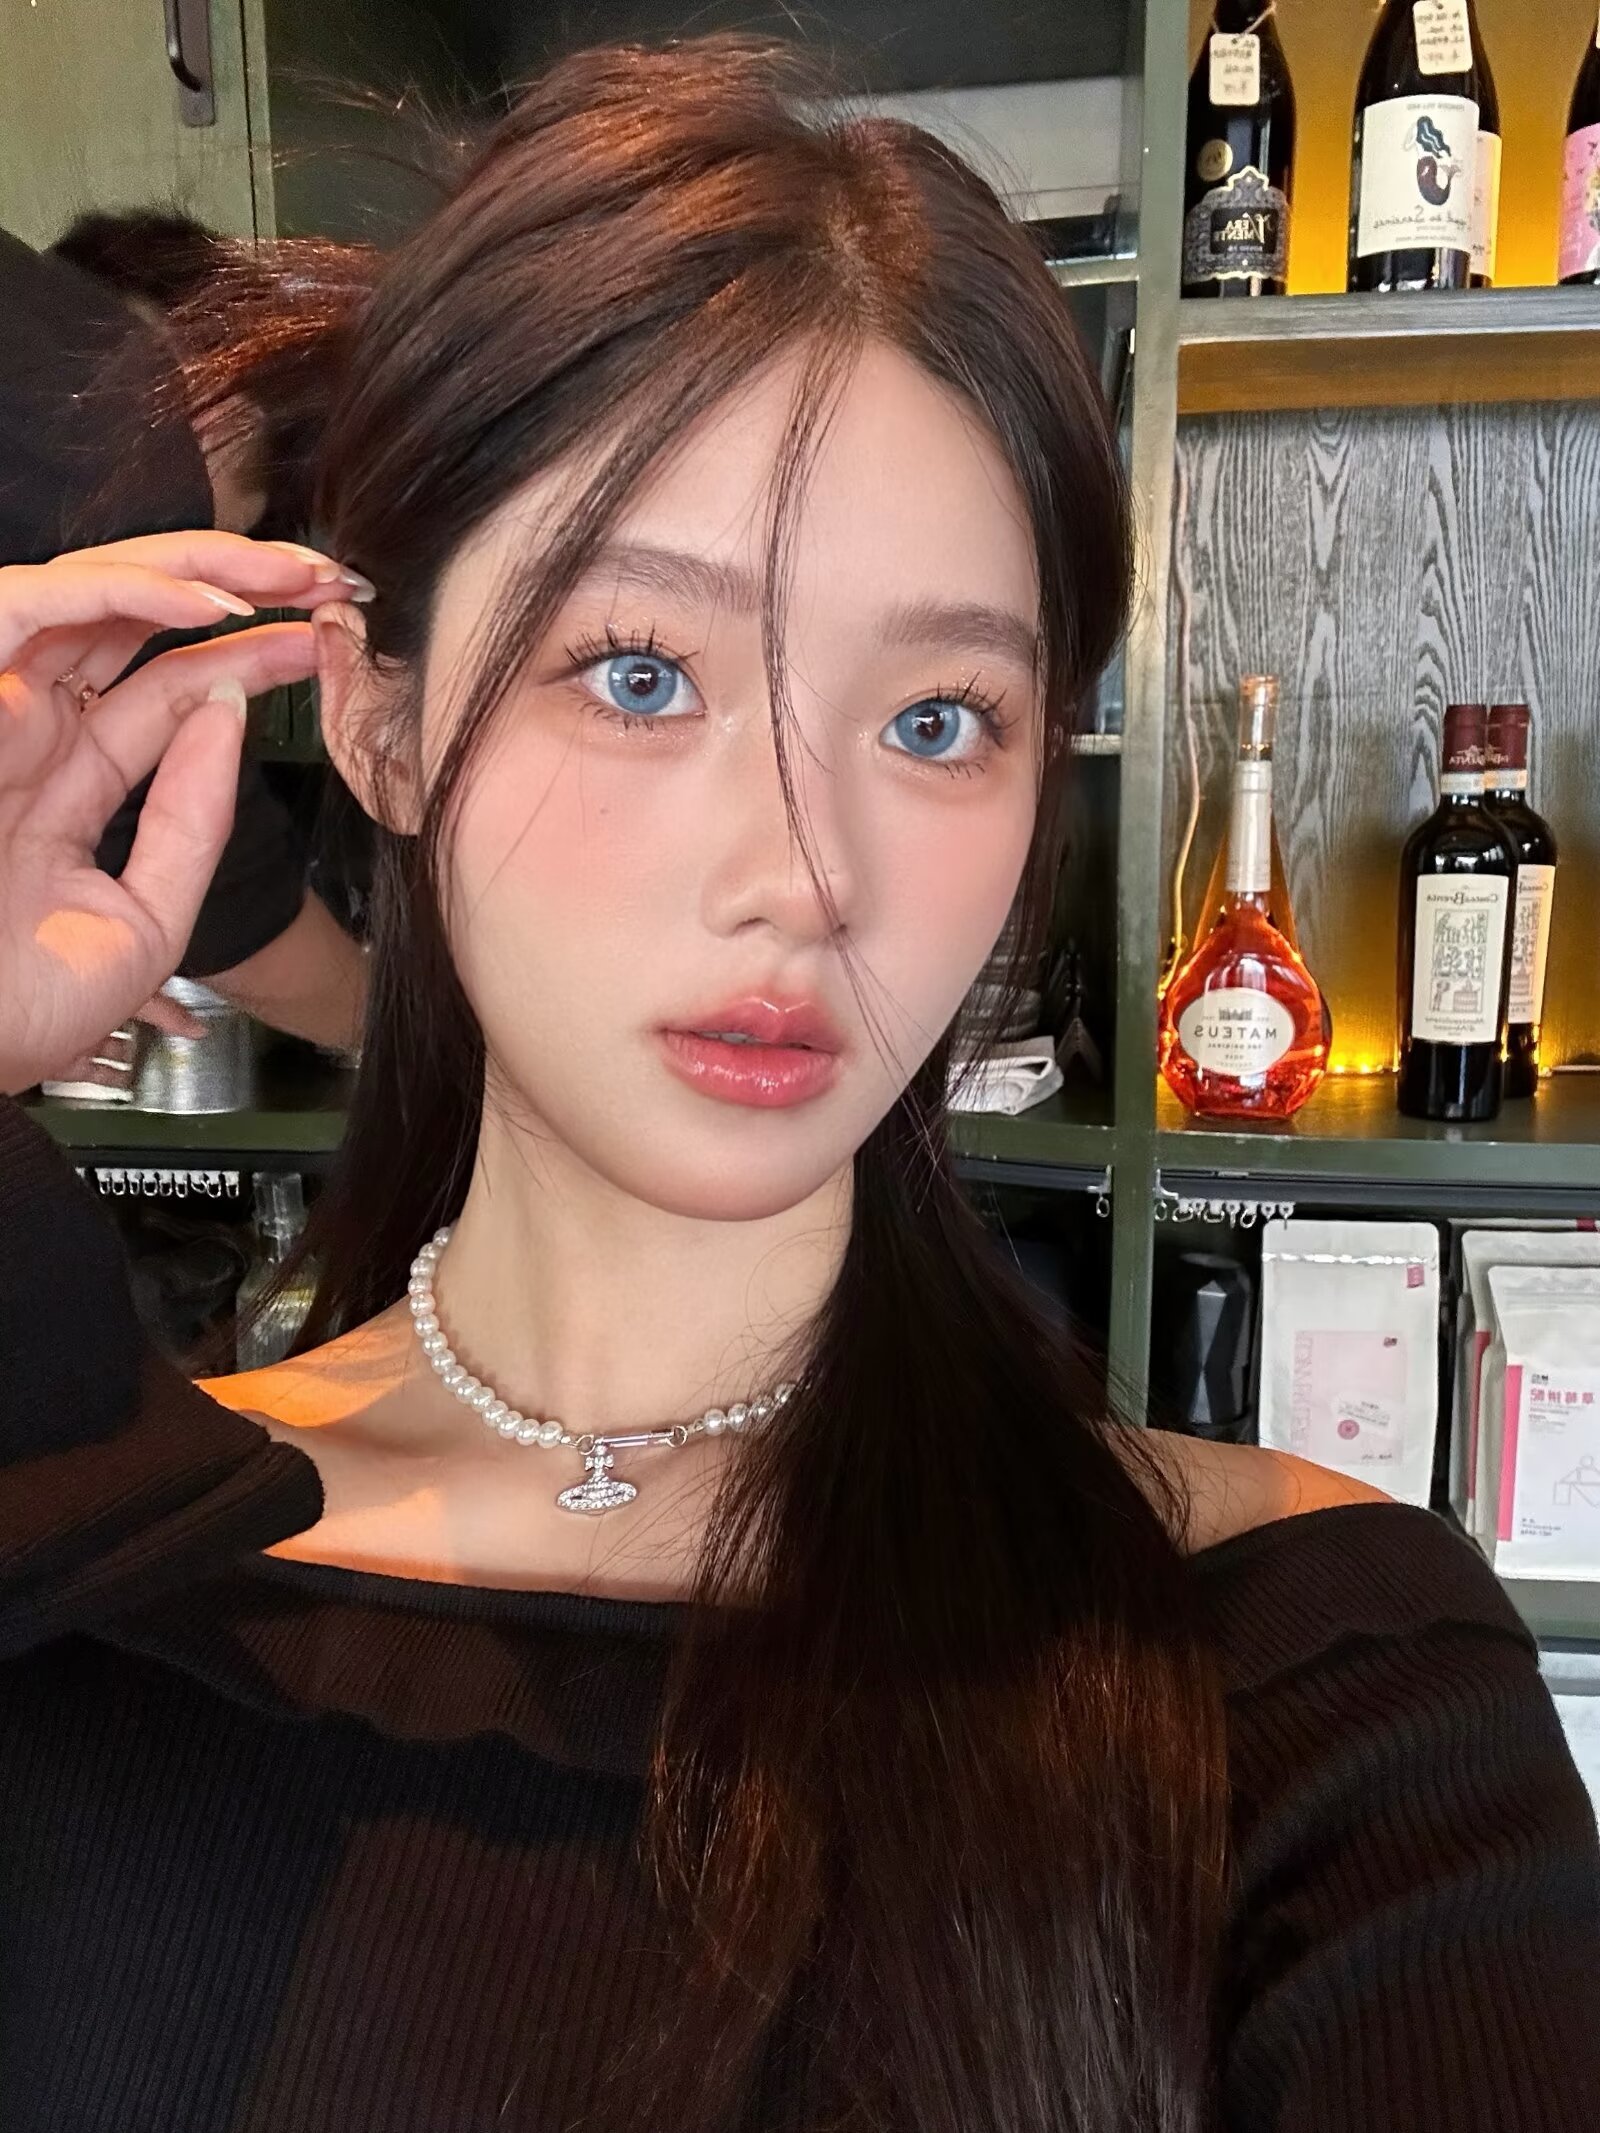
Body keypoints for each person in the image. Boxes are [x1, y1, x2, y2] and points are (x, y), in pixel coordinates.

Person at [0, 35, 1595, 2132]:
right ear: (380, 721)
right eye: (639, 672)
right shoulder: (90, 1574)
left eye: (939, 720)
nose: (809, 872)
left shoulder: (1312, 1676)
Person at [0, 223, 368, 1068]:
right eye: (206, 534)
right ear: (225, 412)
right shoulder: (117, 451)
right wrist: (423, 1044)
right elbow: (229, 906)